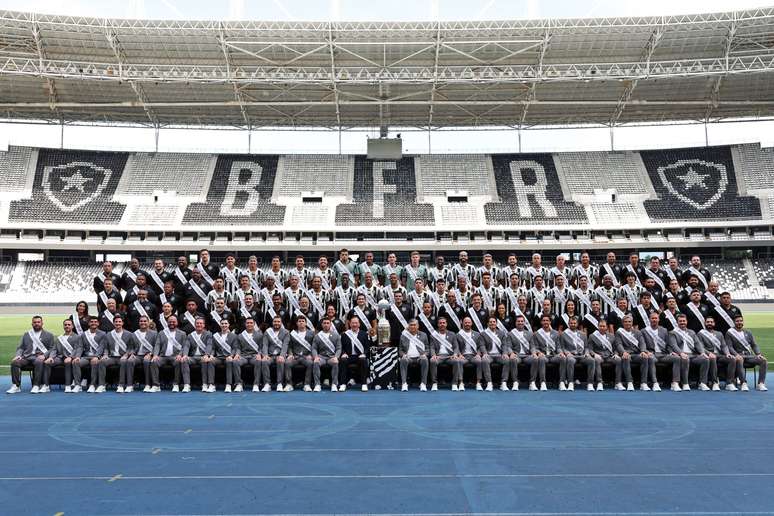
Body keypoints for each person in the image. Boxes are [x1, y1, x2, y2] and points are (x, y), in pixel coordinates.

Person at [7, 315, 55, 394]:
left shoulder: (49, 335)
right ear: (32, 324)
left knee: (39, 362)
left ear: (42, 323)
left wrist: (44, 356)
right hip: (26, 357)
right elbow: (21, 347)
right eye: (34, 322)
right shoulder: (27, 334)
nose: (36, 324)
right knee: (14, 363)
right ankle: (16, 386)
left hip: (39, 357)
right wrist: (18, 355)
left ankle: (36, 385)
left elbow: (52, 349)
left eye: (38, 322)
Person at [725, 315, 768, 391]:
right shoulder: (730, 333)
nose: (739, 322)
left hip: (749, 356)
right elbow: (729, 347)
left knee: (763, 360)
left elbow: (754, 345)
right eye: (737, 321)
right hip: (738, 356)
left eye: (741, 321)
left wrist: (758, 354)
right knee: (740, 359)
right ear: (734, 322)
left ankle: (761, 383)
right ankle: (743, 383)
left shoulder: (748, 332)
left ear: (743, 321)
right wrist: (736, 355)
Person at [668, 314, 709, 392]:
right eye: (680, 321)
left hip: (693, 355)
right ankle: (685, 383)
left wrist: (702, 352)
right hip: (682, 355)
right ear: (677, 322)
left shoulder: (692, 332)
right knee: (685, 358)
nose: (682, 322)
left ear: (687, 322)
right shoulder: (672, 332)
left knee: (705, 359)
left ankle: (702, 383)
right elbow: (674, 345)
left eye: (684, 321)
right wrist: (681, 353)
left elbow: (697, 343)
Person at [697, 316, 736, 391]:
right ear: (705, 323)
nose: (709, 323)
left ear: (714, 323)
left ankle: (729, 383)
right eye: (708, 322)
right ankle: (714, 382)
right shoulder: (701, 333)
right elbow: (700, 347)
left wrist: (727, 353)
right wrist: (709, 353)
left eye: (711, 322)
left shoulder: (719, 334)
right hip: (709, 355)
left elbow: (724, 346)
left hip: (720, 355)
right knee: (713, 358)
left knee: (732, 359)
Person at [479, 316, 517, 392]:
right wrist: (485, 353)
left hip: (499, 355)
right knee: (484, 359)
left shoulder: (501, 333)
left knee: (507, 360)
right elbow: (482, 345)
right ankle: (489, 383)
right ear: (488, 323)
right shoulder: (483, 334)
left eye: (494, 322)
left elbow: (504, 345)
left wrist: (505, 353)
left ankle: (503, 383)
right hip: (489, 355)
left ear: (496, 323)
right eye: (490, 322)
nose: (492, 323)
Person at [640, 311, 675, 392]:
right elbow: (642, 344)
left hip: (663, 354)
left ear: (659, 319)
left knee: (677, 358)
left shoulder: (664, 330)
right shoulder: (644, 331)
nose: (654, 320)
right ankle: (655, 383)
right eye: (652, 318)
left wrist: (671, 352)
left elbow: (668, 344)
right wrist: (645, 351)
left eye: (656, 318)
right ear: (649, 319)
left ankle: (675, 383)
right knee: (651, 358)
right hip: (652, 354)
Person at [150, 316, 187, 392]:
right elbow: (157, 345)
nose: (172, 323)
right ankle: (156, 385)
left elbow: (184, 347)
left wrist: (180, 355)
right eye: (170, 321)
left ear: (177, 322)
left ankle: (176, 384)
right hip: (162, 356)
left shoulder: (182, 334)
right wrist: (155, 355)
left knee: (178, 361)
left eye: (173, 321)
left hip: (175, 357)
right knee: (154, 361)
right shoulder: (162, 333)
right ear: (167, 323)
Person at [99, 314, 134, 393]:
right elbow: (106, 348)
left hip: (123, 357)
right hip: (111, 357)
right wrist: (105, 355)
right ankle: (101, 385)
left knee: (123, 361)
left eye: (119, 322)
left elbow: (131, 348)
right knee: (101, 361)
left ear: (122, 323)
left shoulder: (129, 334)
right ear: (113, 323)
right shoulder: (108, 334)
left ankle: (121, 385)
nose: (118, 323)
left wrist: (126, 355)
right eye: (116, 322)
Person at [44, 319, 82, 393]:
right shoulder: (59, 338)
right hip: (60, 358)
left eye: (69, 324)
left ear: (72, 326)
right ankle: (46, 385)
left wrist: (71, 357)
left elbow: (77, 349)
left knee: (67, 362)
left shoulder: (77, 337)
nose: (67, 326)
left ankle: (67, 385)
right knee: (47, 363)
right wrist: (51, 357)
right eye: (65, 325)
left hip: (71, 358)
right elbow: (54, 349)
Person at [559, 316, 595, 391]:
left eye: (574, 323)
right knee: (570, 360)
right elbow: (562, 347)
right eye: (571, 323)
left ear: (577, 324)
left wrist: (587, 353)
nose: (573, 324)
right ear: (568, 323)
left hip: (582, 355)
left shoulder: (583, 334)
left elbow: (586, 347)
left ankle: (590, 383)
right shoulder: (563, 334)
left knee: (591, 360)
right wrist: (567, 353)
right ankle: (570, 383)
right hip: (571, 355)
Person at [613, 315, 646, 391]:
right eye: (625, 322)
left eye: (629, 321)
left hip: (636, 354)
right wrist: (623, 352)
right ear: (622, 323)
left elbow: (642, 343)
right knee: (625, 358)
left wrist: (643, 351)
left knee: (645, 357)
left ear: (632, 323)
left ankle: (643, 383)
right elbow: (618, 344)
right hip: (626, 354)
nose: (627, 323)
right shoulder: (619, 332)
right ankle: (629, 382)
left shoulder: (638, 332)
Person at [528, 315, 561, 391]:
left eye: (547, 320)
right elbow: (535, 347)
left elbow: (558, 347)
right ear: (541, 322)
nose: (545, 322)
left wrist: (560, 353)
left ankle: (562, 382)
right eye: (544, 320)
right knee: (541, 359)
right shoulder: (537, 334)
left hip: (553, 355)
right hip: (543, 355)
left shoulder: (556, 333)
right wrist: (538, 352)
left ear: (550, 322)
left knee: (563, 358)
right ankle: (543, 382)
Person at [339, 316, 371, 391]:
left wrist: (364, 354)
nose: (354, 325)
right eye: (353, 323)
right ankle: (343, 384)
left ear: (359, 324)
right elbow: (341, 347)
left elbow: (367, 347)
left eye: (356, 323)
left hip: (359, 356)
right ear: (350, 324)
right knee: (343, 360)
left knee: (363, 360)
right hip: (349, 356)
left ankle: (364, 384)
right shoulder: (345, 334)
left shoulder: (364, 334)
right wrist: (343, 353)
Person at [588, 319, 620, 391]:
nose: (602, 328)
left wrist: (616, 354)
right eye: (600, 326)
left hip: (609, 356)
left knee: (618, 360)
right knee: (597, 360)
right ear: (598, 326)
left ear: (606, 327)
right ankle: (599, 382)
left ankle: (618, 383)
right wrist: (594, 354)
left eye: (603, 326)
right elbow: (590, 349)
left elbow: (615, 348)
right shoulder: (592, 336)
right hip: (599, 356)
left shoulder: (612, 336)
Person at [183, 317, 213, 393]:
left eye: (201, 323)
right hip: (193, 357)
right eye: (197, 323)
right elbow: (186, 346)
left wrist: (207, 355)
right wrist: (185, 355)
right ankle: (187, 385)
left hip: (203, 356)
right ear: (195, 324)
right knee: (184, 360)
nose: (199, 325)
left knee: (205, 360)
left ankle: (205, 384)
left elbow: (209, 345)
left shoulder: (208, 334)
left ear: (204, 325)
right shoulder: (190, 335)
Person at [285, 316, 315, 392]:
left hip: (306, 356)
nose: (301, 322)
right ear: (297, 323)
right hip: (295, 356)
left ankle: (307, 384)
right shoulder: (292, 333)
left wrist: (311, 355)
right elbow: (289, 346)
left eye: (303, 321)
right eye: (299, 321)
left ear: (306, 323)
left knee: (310, 363)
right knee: (287, 363)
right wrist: (290, 354)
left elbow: (314, 346)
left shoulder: (311, 333)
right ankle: (289, 384)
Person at [234, 317, 264, 392]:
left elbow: (261, 347)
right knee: (235, 361)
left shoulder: (259, 335)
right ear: (245, 324)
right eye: (247, 323)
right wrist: (237, 354)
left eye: (251, 323)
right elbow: (238, 348)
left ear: (254, 324)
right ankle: (239, 384)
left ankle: (256, 384)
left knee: (258, 361)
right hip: (243, 356)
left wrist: (259, 354)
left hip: (254, 356)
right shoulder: (240, 335)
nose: (249, 324)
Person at [399, 319, 429, 391]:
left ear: (418, 326)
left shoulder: (423, 335)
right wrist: (403, 355)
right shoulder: (404, 336)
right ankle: (404, 384)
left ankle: (423, 384)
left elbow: (427, 348)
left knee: (425, 360)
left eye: (414, 325)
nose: (413, 327)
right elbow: (400, 349)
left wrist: (425, 354)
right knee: (403, 360)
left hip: (420, 357)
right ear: (408, 326)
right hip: (408, 357)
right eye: (411, 325)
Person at [77, 316, 106, 393]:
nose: (93, 323)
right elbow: (80, 347)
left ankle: (92, 385)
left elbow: (101, 347)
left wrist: (97, 356)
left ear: (98, 323)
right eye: (92, 322)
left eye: (95, 322)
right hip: (86, 356)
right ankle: (78, 385)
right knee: (76, 362)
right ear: (89, 323)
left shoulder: (103, 334)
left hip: (97, 356)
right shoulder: (83, 334)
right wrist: (77, 357)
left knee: (94, 362)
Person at [428, 317, 458, 391]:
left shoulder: (452, 334)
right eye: (440, 323)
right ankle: (434, 383)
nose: (442, 324)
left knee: (456, 361)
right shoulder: (433, 335)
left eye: (443, 323)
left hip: (449, 356)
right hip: (439, 356)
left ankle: (454, 384)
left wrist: (455, 354)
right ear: (438, 324)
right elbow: (431, 347)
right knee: (432, 361)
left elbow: (456, 347)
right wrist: (433, 355)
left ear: (446, 324)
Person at [312, 318, 341, 392]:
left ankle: (334, 384)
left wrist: (336, 357)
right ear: (322, 325)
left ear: (330, 325)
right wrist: (315, 357)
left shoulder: (336, 335)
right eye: (324, 323)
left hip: (331, 357)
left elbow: (339, 348)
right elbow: (314, 348)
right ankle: (317, 384)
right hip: (321, 357)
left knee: (335, 362)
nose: (326, 325)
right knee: (316, 362)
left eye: (328, 323)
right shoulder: (318, 336)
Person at [455, 316, 483, 391]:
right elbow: (456, 347)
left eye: (469, 322)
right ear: (462, 323)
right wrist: (459, 354)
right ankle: (461, 382)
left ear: (471, 323)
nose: (467, 324)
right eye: (465, 322)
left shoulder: (477, 334)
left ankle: (478, 383)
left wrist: (478, 354)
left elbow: (480, 346)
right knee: (459, 361)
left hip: (474, 356)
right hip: (463, 356)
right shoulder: (458, 334)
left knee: (479, 361)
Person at [262, 316, 290, 392]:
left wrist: (282, 356)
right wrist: (265, 355)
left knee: (280, 361)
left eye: (278, 322)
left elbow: (285, 345)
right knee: (264, 361)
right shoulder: (268, 332)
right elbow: (265, 345)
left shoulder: (286, 332)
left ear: (281, 323)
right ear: (272, 322)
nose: (276, 323)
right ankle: (267, 384)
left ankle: (279, 383)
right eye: (275, 321)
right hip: (270, 356)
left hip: (280, 355)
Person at [131, 315, 157, 393]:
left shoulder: (154, 333)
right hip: (137, 355)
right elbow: (131, 347)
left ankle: (148, 384)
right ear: (139, 323)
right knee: (129, 361)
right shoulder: (135, 334)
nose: (143, 323)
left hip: (148, 355)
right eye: (141, 321)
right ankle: (129, 385)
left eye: (145, 321)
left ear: (148, 322)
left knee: (146, 361)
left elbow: (156, 346)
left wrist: (151, 354)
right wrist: (132, 353)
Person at [211, 319, 238, 393]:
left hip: (228, 357)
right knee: (210, 361)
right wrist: (211, 355)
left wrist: (232, 356)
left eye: (226, 323)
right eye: (222, 324)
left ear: (229, 325)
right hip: (219, 357)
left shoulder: (234, 336)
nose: (224, 325)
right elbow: (213, 348)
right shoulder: (215, 336)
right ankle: (211, 385)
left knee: (229, 361)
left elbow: (235, 348)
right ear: (220, 325)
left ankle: (228, 385)